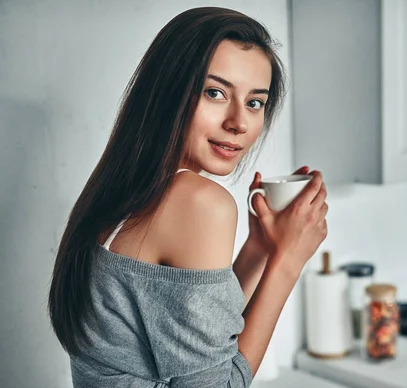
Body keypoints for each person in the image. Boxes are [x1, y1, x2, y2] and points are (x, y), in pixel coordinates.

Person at [47, 6, 328, 388]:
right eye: (215, 93)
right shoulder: (199, 201)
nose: (239, 122)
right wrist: (290, 260)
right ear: (168, 92)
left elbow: (199, 329)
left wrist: (260, 247)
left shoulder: (125, 187)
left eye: (254, 102)